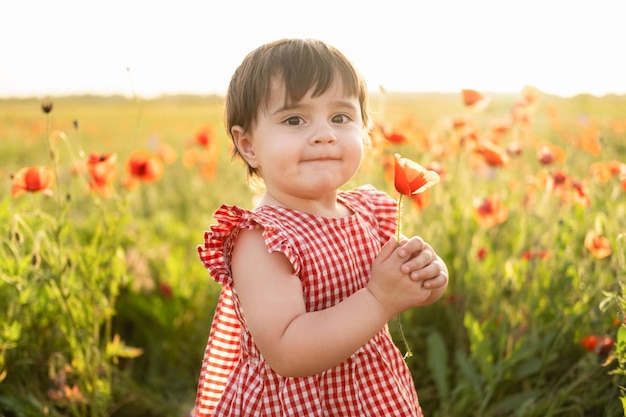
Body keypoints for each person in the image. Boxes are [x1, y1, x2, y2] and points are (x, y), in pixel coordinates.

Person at [192, 38, 449, 417]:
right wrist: (379, 300)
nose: (324, 133)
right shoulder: (262, 239)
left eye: (341, 118)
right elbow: (287, 351)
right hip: (295, 405)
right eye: (295, 120)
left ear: (364, 130)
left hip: (370, 396)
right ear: (248, 145)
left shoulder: (370, 212)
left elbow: (407, 290)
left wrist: (427, 277)